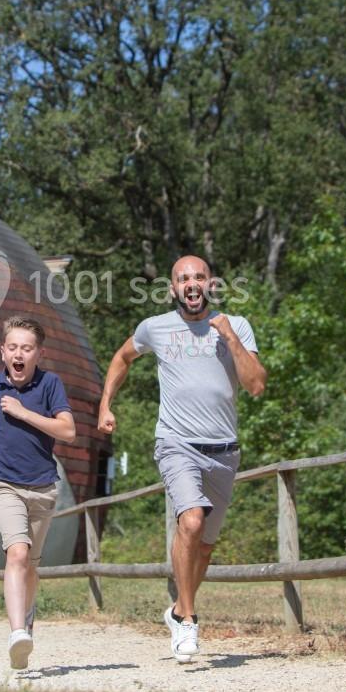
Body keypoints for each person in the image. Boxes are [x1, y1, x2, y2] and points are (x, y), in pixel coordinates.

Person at [97, 255, 266, 663]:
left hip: (224, 450)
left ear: (211, 284)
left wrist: (230, 338)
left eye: (198, 277)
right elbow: (122, 358)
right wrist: (105, 404)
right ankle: (188, 620)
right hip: (176, 444)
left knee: (204, 548)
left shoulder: (236, 325)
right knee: (190, 520)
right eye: (183, 279)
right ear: (173, 289)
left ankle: (175, 610)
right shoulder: (154, 328)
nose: (191, 284)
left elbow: (257, 385)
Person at [0, 315, 75, 670]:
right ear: (3, 351)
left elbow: (68, 432)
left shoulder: (50, 385)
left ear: (39, 354)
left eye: (27, 348)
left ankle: (27, 615)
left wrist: (23, 413)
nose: (19, 354)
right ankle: (17, 632)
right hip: (4, 483)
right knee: (17, 554)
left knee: (31, 565)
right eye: (13, 347)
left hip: (43, 488)